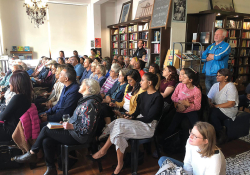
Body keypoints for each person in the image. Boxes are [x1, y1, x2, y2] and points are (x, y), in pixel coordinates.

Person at [13, 79, 102, 175]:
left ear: (88, 88)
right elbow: (80, 120)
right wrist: (67, 123)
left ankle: (32, 152)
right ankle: (51, 169)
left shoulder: (89, 104)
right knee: (46, 140)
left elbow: (87, 128)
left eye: (82, 85)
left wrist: (71, 126)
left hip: (79, 136)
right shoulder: (87, 101)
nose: (80, 86)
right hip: (74, 132)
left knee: (46, 129)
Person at [91, 72, 163, 175]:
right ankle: (119, 165)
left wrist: (131, 120)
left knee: (119, 124)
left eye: (142, 80)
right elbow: (136, 113)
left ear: (150, 82)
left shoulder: (157, 97)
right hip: (138, 122)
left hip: (148, 126)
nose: (140, 82)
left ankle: (103, 150)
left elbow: (149, 118)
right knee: (119, 133)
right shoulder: (142, 95)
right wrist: (130, 117)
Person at [158, 122, 226, 175]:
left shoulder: (214, 158)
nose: (190, 137)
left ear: (206, 141)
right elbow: (187, 163)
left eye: (195, 136)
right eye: (191, 132)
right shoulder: (191, 142)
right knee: (163, 160)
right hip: (193, 172)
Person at [98, 69, 144, 140]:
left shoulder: (141, 91)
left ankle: (107, 133)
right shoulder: (128, 87)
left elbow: (137, 109)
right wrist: (115, 104)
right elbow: (122, 103)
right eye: (128, 80)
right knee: (102, 108)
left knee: (105, 111)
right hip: (122, 109)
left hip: (130, 113)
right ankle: (105, 132)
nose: (128, 82)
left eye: (130, 80)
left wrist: (122, 114)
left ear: (136, 79)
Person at [162, 68, 201, 145]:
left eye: (185, 77)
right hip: (179, 109)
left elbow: (197, 106)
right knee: (171, 126)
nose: (182, 78)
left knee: (197, 127)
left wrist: (188, 104)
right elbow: (173, 97)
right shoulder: (180, 85)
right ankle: (162, 142)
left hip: (190, 111)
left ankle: (198, 144)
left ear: (191, 80)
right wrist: (180, 102)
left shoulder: (196, 91)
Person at [208, 69, 238, 144]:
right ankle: (210, 134)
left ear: (226, 77)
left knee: (213, 114)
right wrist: (209, 103)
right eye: (217, 75)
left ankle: (221, 133)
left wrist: (216, 106)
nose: (217, 77)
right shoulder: (215, 85)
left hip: (229, 109)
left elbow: (231, 103)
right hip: (216, 106)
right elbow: (209, 97)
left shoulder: (231, 87)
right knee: (206, 111)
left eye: (219, 75)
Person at [0, 70, 32, 141]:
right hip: (13, 127)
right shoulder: (24, 96)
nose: (9, 84)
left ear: (16, 84)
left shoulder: (17, 98)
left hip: (10, 130)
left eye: (11, 82)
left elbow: (2, 117)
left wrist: (2, 109)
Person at [202, 29, 231, 93]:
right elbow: (202, 57)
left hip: (219, 75)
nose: (215, 36)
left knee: (218, 93)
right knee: (208, 94)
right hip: (208, 74)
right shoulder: (210, 46)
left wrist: (208, 55)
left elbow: (219, 57)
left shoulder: (226, 46)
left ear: (223, 36)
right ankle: (209, 103)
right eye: (215, 34)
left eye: (218, 34)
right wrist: (212, 56)